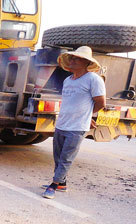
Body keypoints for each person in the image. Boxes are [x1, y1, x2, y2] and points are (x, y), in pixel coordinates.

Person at [42, 46, 106, 199]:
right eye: (71, 58)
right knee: (57, 157)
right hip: (62, 123)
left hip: (77, 127)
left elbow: (100, 102)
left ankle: (53, 185)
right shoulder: (68, 80)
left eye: (76, 58)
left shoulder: (93, 79)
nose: (72, 60)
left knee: (66, 158)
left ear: (85, 62)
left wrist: (87, 117)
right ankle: (62, 184)